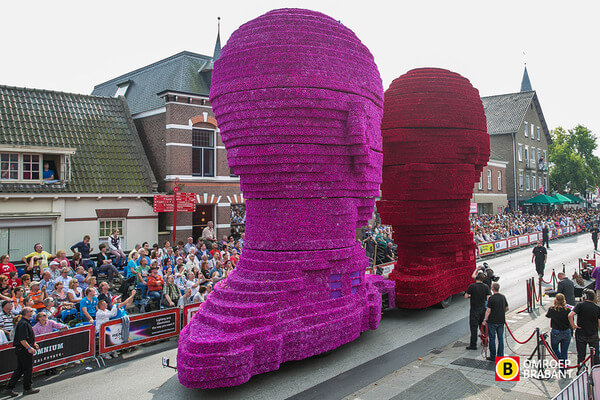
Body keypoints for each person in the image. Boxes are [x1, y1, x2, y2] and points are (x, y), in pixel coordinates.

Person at [5, 307, 40, 396]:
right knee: (27, 369)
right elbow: (22, 339)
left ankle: (9, 388)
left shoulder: (25, 323)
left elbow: (28, 336)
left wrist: (33, 343)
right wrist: (29, 348)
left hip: (22, 349)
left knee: (19, 369)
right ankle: (27, 388)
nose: (32, 312)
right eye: (31, 311)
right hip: (23, 350)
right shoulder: (23, 323)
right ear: (26, 313)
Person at [569, 289, 600, 368]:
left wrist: (573, 326)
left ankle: (581, 372)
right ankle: (595, 373)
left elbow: (570, 315)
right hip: (593, 334)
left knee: (581, 356)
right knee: (595, 356)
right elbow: (599, 323)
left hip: (581, 333)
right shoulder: (597, 308)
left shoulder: (580, 305)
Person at [465, 270, 491, 350]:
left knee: (473, 328)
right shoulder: (485, 286)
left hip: (474, 309)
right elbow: (488, 297)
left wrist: (471, 296)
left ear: (476, 278)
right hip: (482, 309)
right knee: (482, 326)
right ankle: (485, 341)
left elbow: (466, 296)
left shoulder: (472, 286)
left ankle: (473, 345)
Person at [482, 282, 509, 361]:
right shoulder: (503, 297)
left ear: (492, 288)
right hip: (501, 321)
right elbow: (507, 308)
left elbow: (488, 310)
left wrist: (485, 320)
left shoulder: (491, 298)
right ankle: (500, 355)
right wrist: (501, 312)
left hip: (492, 321)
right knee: (500, 338)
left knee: (492, 338)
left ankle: (493, 356)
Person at [545, 293, 571, 369]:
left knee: (554, 348)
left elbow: (547, 315)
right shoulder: (567, 309)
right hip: (566, 331)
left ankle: (561, 361)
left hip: (556, 331)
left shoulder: (552, 309)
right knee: (564, 351)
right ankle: (563, 365)